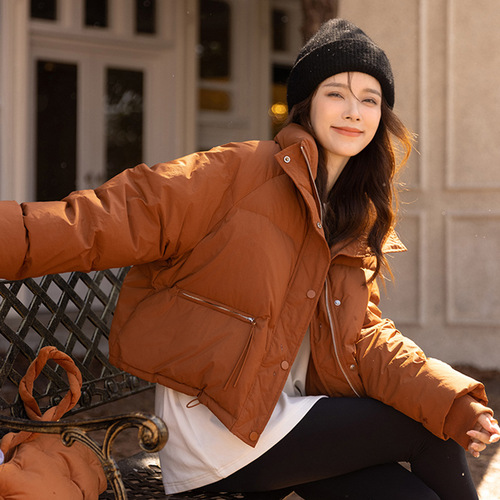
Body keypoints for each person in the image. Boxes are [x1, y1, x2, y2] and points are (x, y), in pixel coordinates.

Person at [0, 18, 498, 500]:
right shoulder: (237, 172)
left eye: (370, 99)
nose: (353, 111)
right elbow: (108, 218)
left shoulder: (350, 212)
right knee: (426, 429)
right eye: (337, 94)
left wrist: (452, 398)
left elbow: (363, 339)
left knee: (420, 475)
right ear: (305, 105)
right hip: (219, 428)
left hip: (286, 416)